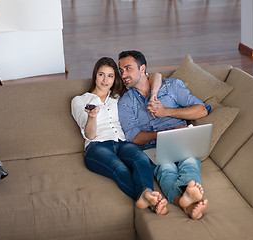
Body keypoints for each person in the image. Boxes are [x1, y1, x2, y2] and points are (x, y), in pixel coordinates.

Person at [117, 50, 209, 220]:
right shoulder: (125, 102)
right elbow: (134, 137)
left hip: (182, 140)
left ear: (143, 68)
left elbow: (201, 110)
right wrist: (163, 134)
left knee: (189, 162)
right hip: (153, 146)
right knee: (165, 169)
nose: (123, 74)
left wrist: (166, 112)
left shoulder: (171, 86)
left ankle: (185, 201)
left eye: (128, 68)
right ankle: (188, 202)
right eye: (121, 70)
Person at [71, 57, 168, 215]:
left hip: (123, 144)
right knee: (120, 169)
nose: (105, 80)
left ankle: (146, 195)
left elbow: (154, 75)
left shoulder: (119, 98)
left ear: (115, 78)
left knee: (142, 159)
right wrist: (92, 117)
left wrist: (154, 93)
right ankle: (150, 201)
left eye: (110, 76)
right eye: (101, 74)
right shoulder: (80, 100)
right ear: (95, 75)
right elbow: (90, 135)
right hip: (97, 147)